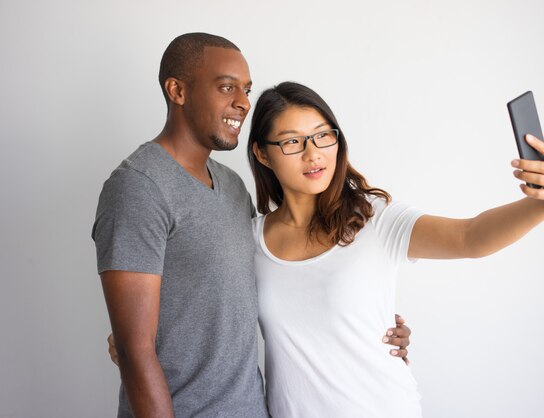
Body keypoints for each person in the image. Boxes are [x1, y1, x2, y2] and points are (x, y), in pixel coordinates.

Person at [93, 33, 410, 418]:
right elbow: (133, 349)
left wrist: (366, 323)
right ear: (177, 91)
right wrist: (128, 344)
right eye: (226, 87)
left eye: (246, 89)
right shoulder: (140, 186)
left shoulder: (231, 186)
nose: (243, 103)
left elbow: (242, 295)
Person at [243, 82, 544, 417]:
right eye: (292, 141)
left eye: (323, 135)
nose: (313, 153)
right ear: (262, 153)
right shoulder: (249, 240)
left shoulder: (374, 217)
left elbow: (470, 237)